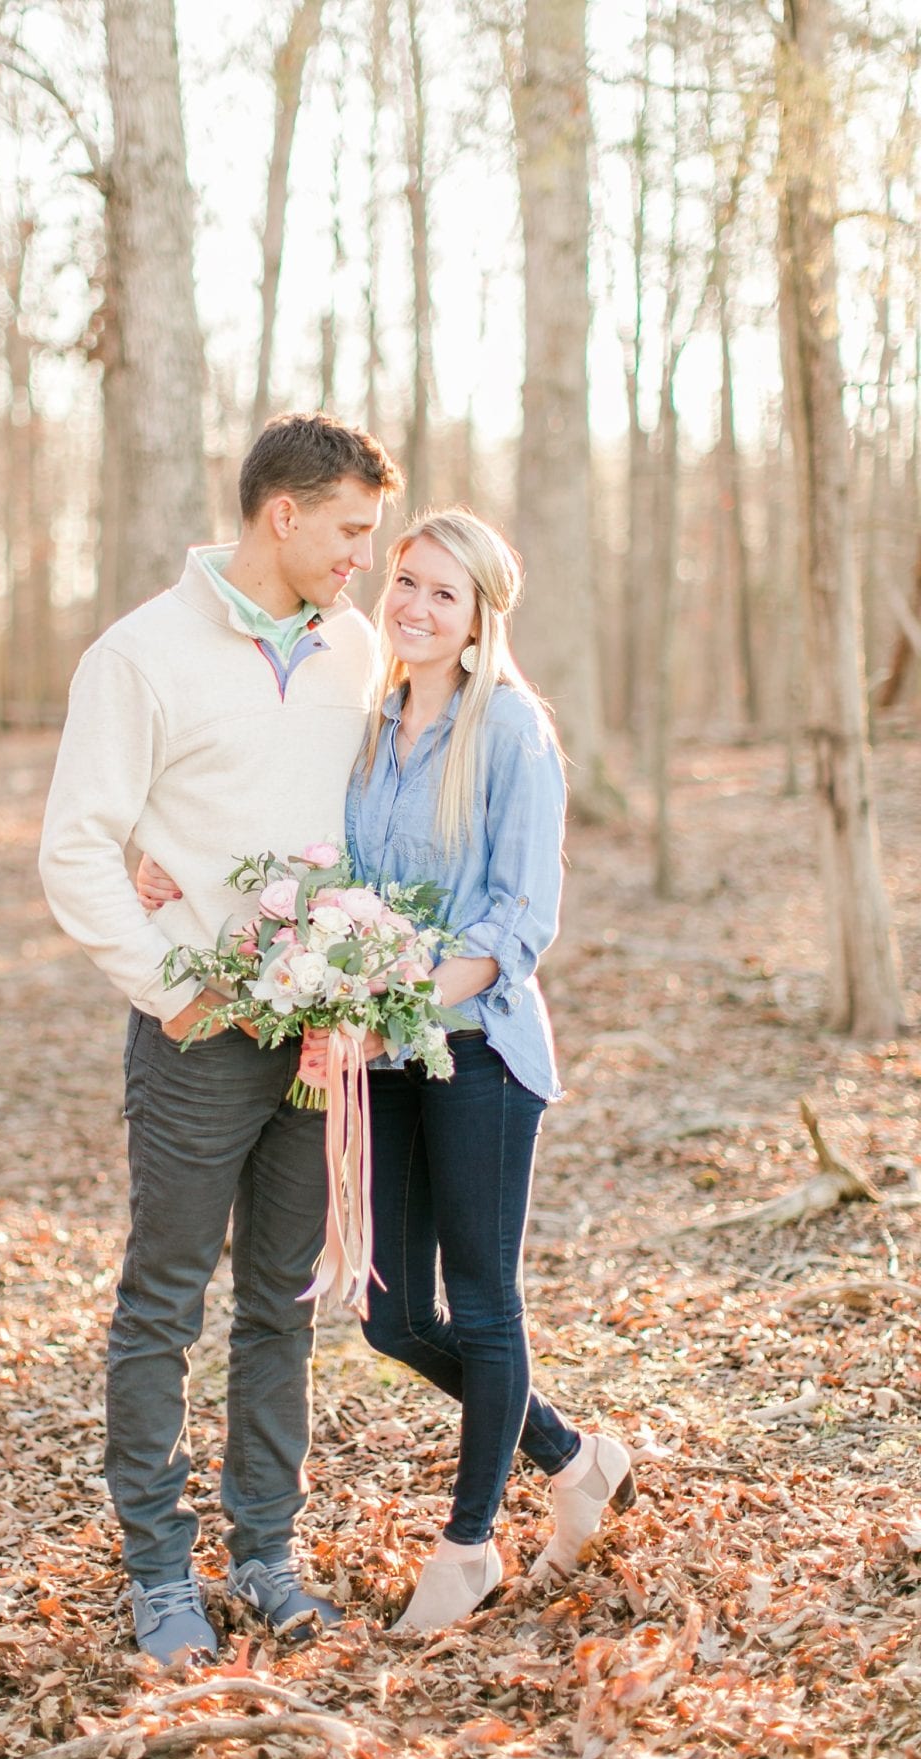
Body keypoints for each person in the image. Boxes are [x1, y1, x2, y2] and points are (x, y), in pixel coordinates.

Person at [38, 412, 405, 1664]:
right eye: (351, 530)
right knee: (162, 1304)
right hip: (198, 1039)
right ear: (281, 514)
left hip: (319, 1044)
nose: (366, 555)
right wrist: (167, 988)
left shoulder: (356, 649)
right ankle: (156, 1571)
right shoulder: (140, 656)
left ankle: (264, 1548)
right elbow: (76, 843)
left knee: (281, 1306)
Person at [341, 507, 636, 1631]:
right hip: (386, 1054)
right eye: (405, 581)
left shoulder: (510, 731)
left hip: (481, 1054)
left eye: (442, 592)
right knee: (389, 1318)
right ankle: (574, 1455)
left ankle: (467, 1549)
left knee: (483, 1298)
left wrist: (407, 995)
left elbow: (523, 921)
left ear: (477, 620)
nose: (414, 605)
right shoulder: (372, 730)